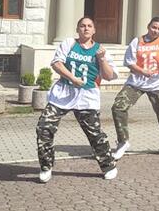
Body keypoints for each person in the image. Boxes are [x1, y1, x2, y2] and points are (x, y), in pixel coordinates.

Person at [36, 16, 118, 183]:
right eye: (82, 26)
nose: (86, 28)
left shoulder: (100, 50)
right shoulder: (69, 44)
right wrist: (72, 78)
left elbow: (109, 76)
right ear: (77, 29)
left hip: (86, 97)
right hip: (64, 93)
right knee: (44, 127)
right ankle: (46, 166)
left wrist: (101, 59)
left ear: (94, 30)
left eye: (89, 26)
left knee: (94, 134)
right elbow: (56, 63)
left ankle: (108, 165)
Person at [111, 16, 159, 160]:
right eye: (154, 27)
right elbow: (129, 62)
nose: (156, 31)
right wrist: (142, 71)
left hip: (157, 83)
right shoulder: (137, 41)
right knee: (118, 107)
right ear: (148, 27)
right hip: (137, 82)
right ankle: (123, 142)